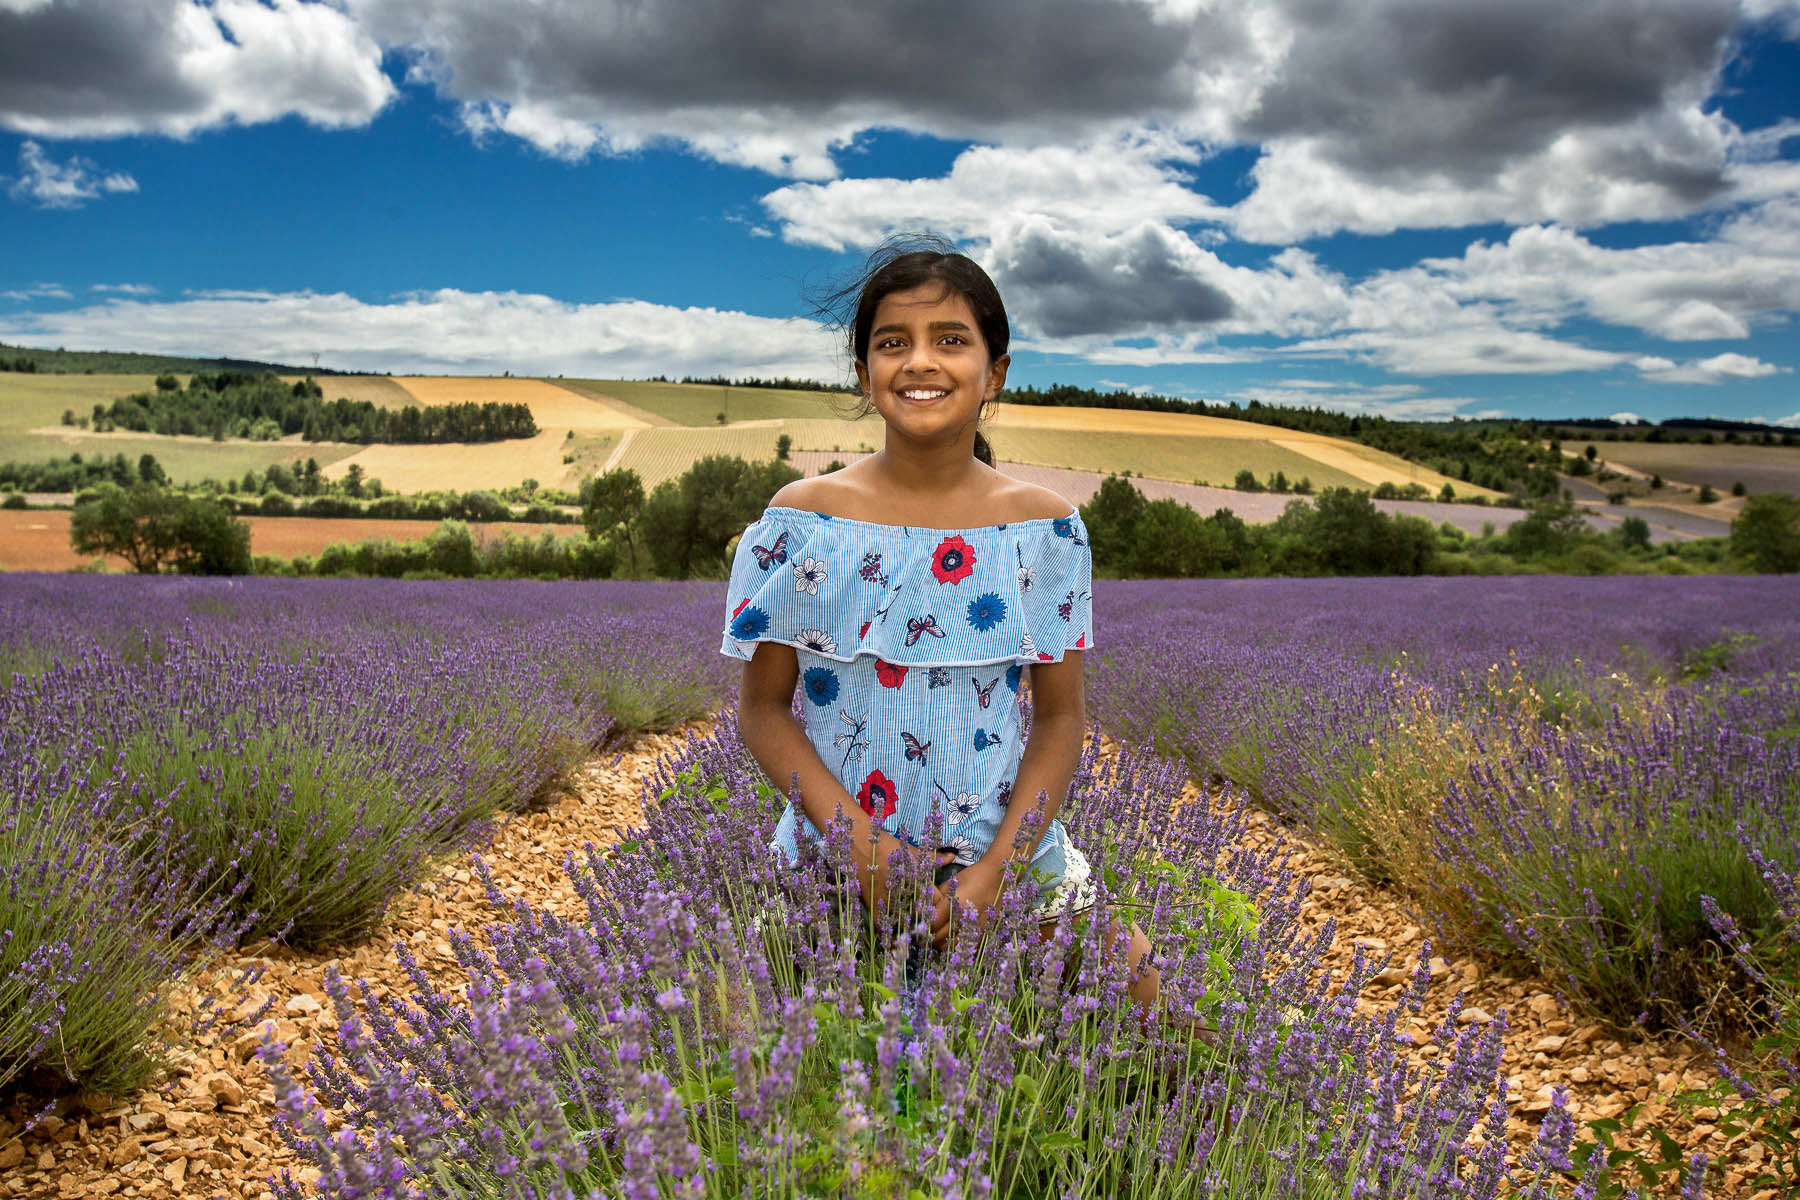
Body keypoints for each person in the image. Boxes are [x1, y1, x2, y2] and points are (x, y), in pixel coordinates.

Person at [718, 235, 1158, 1012]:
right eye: (894, 343)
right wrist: (860, 847)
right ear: (864, 374)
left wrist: (997, 870)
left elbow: (1060, 721)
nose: (920, 361)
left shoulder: (1044, 530)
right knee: (750, 1034)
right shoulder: (805, 520)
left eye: (950, 340)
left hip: (1004, 845)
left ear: (995, 373)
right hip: (835, 845)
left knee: (1143, 994)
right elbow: (761, 710)